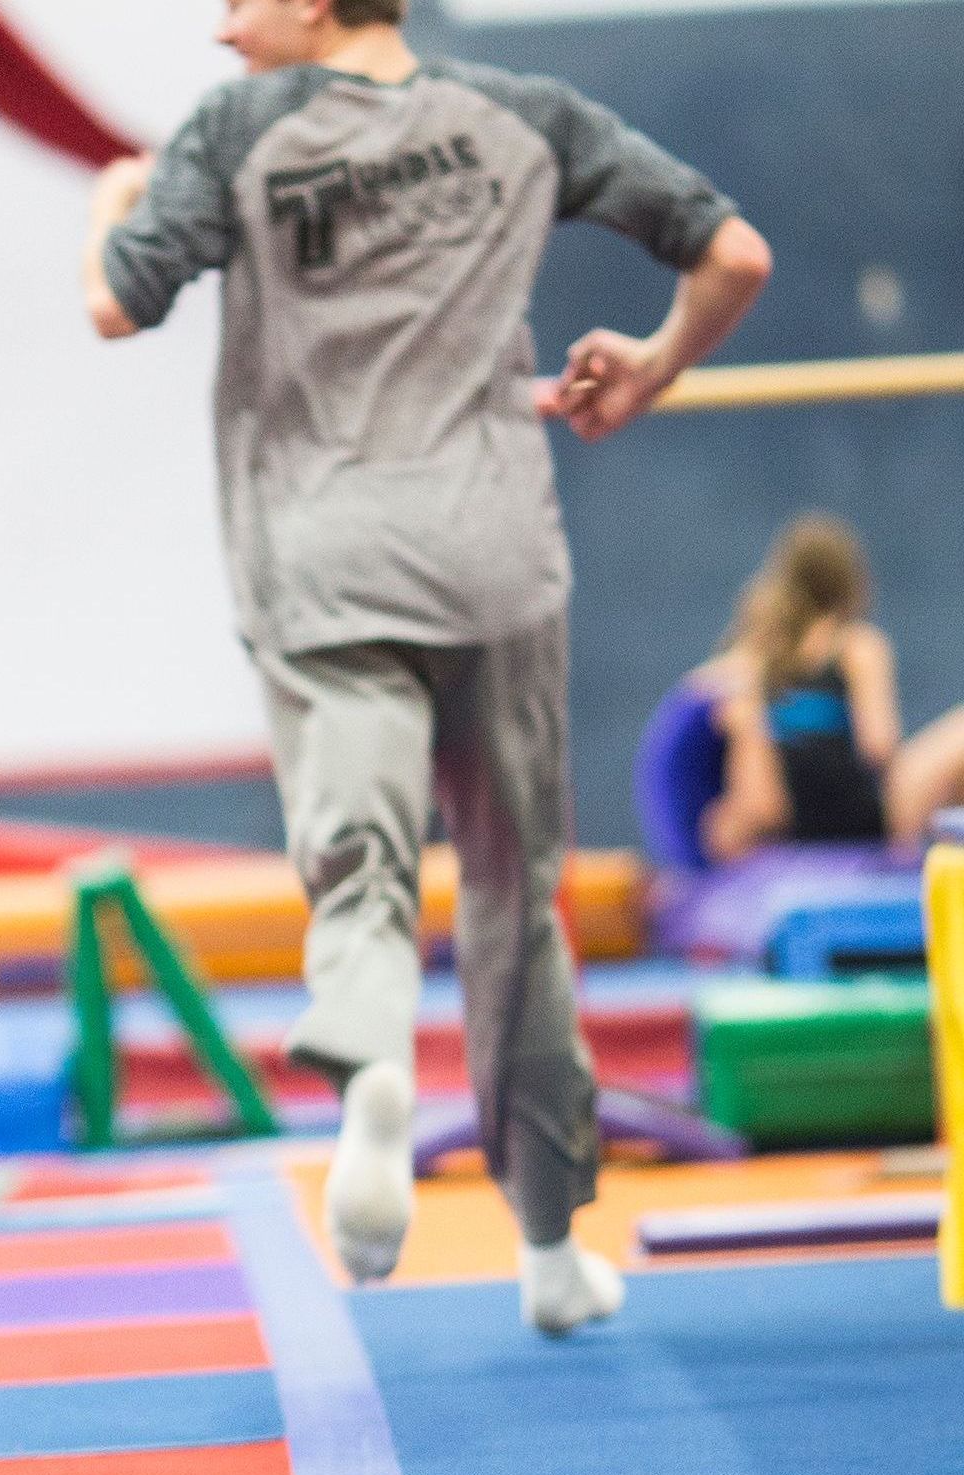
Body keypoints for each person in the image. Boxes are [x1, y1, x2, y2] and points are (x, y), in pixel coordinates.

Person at [82, 0, 770, 1332]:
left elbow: (117, 302)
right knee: (518, 894)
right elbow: (734, 252)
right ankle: (555, 1253)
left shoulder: (233, 132)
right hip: (496, 557)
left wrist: (110, 203)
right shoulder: (523, 115)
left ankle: (373, 1069)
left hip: (326, 560)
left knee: (361, 859)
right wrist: (654, 366)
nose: (221, 23)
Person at [699, 513, 964, 861]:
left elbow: (701, 695)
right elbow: (879, 747)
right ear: (851, 581)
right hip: (860, 819)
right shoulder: (857, 645)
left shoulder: (759, 652)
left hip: (790, 823)